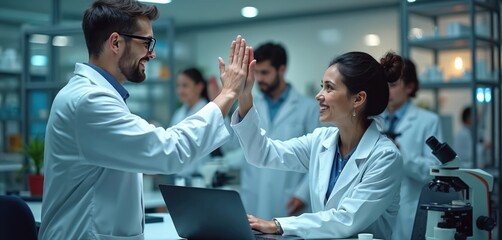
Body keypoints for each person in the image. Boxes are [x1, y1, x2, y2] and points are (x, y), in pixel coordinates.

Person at [38, 0, 255, 238]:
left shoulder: (96, 96)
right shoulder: (89, 101)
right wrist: (228, 94)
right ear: (116, 42)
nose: (151, 54)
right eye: (146, 43)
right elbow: (169, 151)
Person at [232, 51, 404, 239]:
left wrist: (278, 225)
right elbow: (262, 153)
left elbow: (346, 220)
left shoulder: (385, 157)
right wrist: (245, 95)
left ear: (358, 99)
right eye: (322, 86)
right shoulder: (321, 140)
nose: (318, 96)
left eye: (329, 88)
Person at [239, 42, 320, 220]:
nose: (259, 78)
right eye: (256, 72)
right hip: (254, 194)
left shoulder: (308, 108)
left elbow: (321, 155)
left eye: (265, 72)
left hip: (291, 198)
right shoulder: (250, 104)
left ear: (281, 69)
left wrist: (303, 193)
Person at [381, 58, 443, 240]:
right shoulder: (371, 120)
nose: (386, 90)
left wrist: (400, 155)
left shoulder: (428, 121)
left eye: (392, 85)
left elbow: (434, 171)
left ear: (410, 87)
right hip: (376, 211)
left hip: (409, 209)